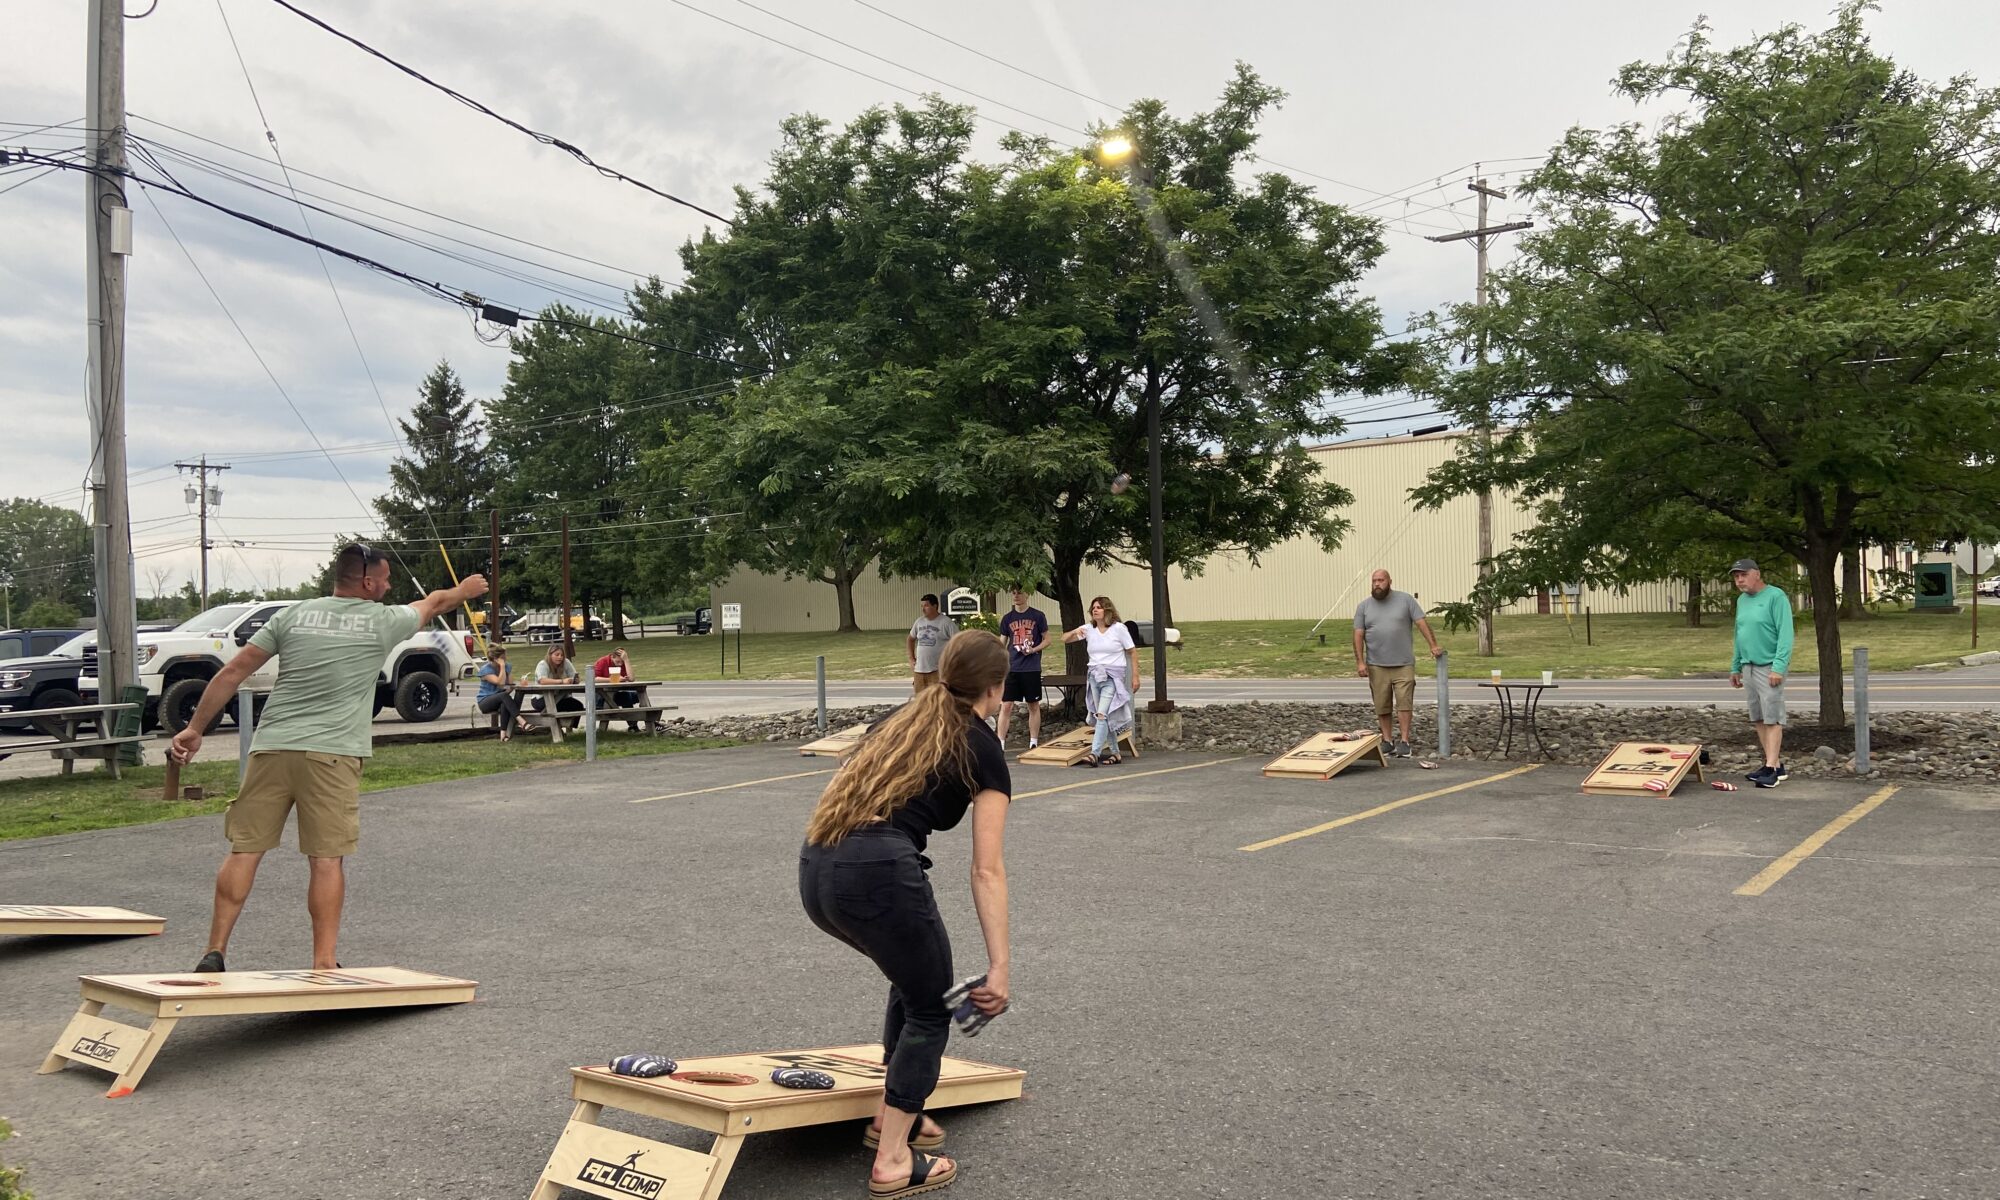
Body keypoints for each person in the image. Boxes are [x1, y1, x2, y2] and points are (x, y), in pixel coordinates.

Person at [169, 543, 486, 972]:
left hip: (272, 748)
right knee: (325, 859)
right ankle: (324, 962)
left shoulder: (292, 614)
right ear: (368, 582)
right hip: (332, 755)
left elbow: (232, 672)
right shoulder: (383, 620)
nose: (389, 585)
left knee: (244, 850)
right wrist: (465, 590)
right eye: (386, 578)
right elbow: (433, 602)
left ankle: (215, 950)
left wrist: (194, 728)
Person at [798, 631, 1012, 1198]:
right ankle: (893, 1158)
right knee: (930, 1007)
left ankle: (897, 1118)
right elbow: (986, 870)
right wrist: (1000, 966)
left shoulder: (902, 719)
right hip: (878, 873)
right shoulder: (983, 745)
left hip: (818, 867)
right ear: (996, 687)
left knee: (915, 980)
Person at [1352, 569, 1443, 758]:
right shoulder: (1364, 607)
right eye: (1374, 581)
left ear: (1389, 581)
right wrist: (1360, 662)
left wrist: (1433, 645)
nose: (1377, 584)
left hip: (1403, 663)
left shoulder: (1406, 600)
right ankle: (1387, 740)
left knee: (1404, 702)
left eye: (1381, 580)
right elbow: (1358, 635)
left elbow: (1421, 623)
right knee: (1382, 704)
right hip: (1376, 664)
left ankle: (1404, 741)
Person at [1729, 558, 1794, 787]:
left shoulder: (1776, 597)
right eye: (1736, 576)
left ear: (1756, 574)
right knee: (1757, 717)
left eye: (1743, 575)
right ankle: (1773, 764)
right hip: (1748, 664)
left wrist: (1778, 667)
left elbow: (1786, 635)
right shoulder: (1741, 601)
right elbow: (1739, 634)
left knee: (1772, 717)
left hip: (1769, 666)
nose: (1739, 580)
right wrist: (1736, 666)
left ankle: (1771, 770)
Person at [1061, 596, 1137, 766]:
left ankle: (1094, 753)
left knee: (1102, 714)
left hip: (1112, 677)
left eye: (1099, 607)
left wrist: (1135, 677)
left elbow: (1132, 651)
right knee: (1103, 716)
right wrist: (1074, 632)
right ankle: (1116, 753)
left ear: (1107, 610)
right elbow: (1064, 639)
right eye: (1093, 607)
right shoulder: (1088, 629)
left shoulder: (1119, 629)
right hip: (1094, 676)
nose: (1095, 610)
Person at [994, 587, 1050, 749]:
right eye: (1013, 593)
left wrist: (1033, 649)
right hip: (1012, 668)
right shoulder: (1008, 618)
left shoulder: (1038, 616)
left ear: (1027, 594)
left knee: (1033, 704)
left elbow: (1047, 639)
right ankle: (1001, 743)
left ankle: (1033, 742)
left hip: (1031, 668)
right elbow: (1001, 643)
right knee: (1006, 705)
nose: (1016, 596)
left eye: (1019, 592)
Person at [907, 594, 959, 694]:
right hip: (919, 670)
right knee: (920, 701)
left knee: (937, 700)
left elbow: (958, 642)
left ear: (935, 606)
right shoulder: (919, 622)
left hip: (937, 671)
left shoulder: (946, 623)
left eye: (926, 606)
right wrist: (911, 658)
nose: (923, 609)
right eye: (922, 606)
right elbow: (910, 639)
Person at [475, 645, 528, 741]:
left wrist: (520, 683)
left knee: (504, 702)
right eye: (503, 658)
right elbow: (500, 683)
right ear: (495, 659)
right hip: (485, 701)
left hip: (500, 699)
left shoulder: (508, 666)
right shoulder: (486, 670)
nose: (505, 659)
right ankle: (521, 720)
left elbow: (509, 686)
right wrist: (502, 667)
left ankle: (503, 735)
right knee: (503, 695)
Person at [527, 646, 584, 717]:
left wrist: (575, 680)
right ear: (550, 655)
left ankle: (569, 725)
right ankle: (557, 726)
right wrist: (562, 681)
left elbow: (574, 676)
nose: (560, 657)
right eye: (557, 655)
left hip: (562, 697)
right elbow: (542, 681)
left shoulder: (566, 662)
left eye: (562, 655)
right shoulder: (543, 664)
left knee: (578, 706)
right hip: (542, 698)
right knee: (556, 708)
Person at [592, 646, 641, 726]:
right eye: (618, 661)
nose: (620, 664)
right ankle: (634, 726)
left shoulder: (623, 663)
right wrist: (612, 679)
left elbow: (631, 678)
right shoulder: (603, 661)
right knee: (627, 697)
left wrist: (626, 660)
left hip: (615, 693)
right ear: (612, 657)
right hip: (601, 696)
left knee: (637, 695)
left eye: (622, 662)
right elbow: (593, 678)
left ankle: (643, 722)